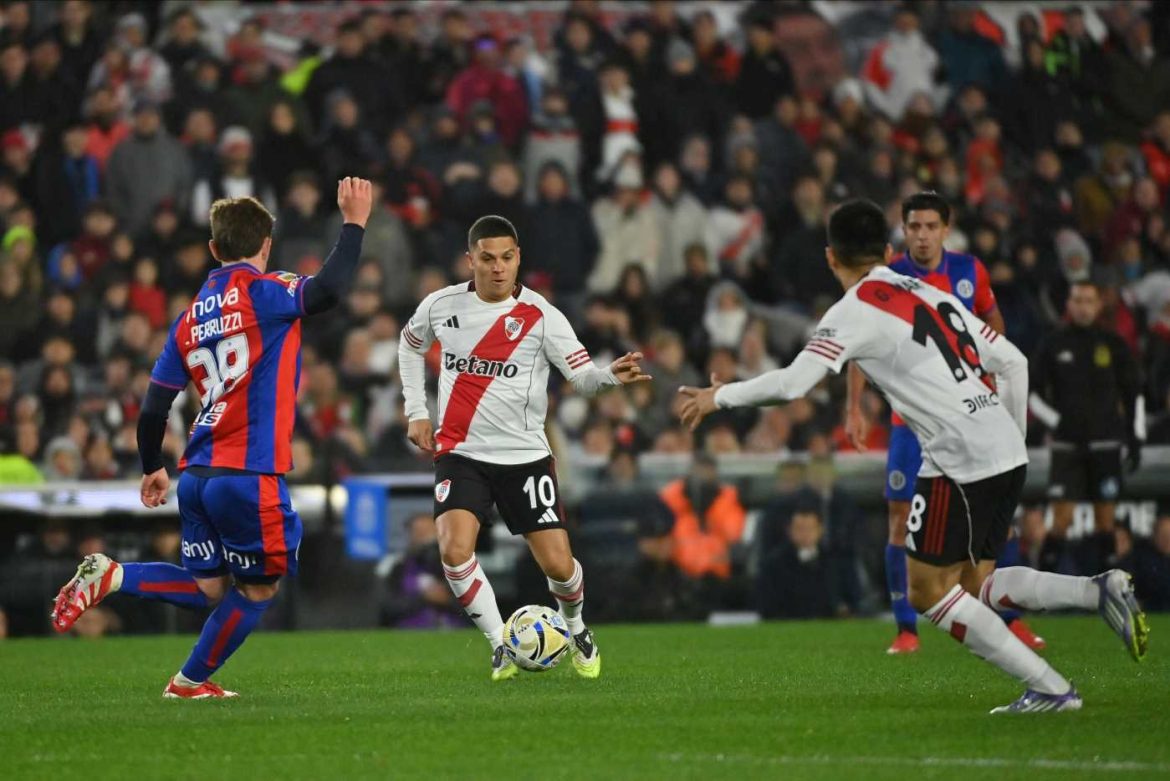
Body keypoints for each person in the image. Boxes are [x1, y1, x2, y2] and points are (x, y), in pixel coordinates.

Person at [679, 199, 1148, 714]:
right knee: (976, 585)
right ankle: (1096, 591)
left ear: (831, 257)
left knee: (925, 590)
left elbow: (793, 384)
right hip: (1002, 446)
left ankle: (1052, 688)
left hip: (958, 456)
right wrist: (1009, 439)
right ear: (888, 251)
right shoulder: (929, 290)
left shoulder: (852, 310)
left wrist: (719, 396)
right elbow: (1012, 361)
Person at [50, 179, 374, 699]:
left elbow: (154, 406)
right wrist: (354, 223)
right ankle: (187, 682)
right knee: (259, 588)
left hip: (197, 474)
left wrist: (151, 465)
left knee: (207, 587)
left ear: (212, 248)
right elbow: (329, 291)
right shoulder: (267, 292)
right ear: (265, 245)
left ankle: (114, 577)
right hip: (248, 472)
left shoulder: (189, 319)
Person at [398, 215, 649, 681]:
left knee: (558, 564)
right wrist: (417, 409)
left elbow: (581, 378)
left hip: (524, 457)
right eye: (488, 258)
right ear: (470, 260)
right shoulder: (440, 305)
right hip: (461, 452)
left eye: (507, 258)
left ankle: (577, 629)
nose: (498, 267)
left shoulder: (543, 316)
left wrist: (610, 376)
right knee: (453, 550)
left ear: (518, 260)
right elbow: (409, 345)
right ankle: (499, 643)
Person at [845, 191, 1043, 655]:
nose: (922, 236)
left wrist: (988, 378)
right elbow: (859, 343)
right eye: (914, 227)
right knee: (899, 520)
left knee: (997, 521)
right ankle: (905, 629)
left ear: (945, 230)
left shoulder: (970, 272)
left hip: (966, 419)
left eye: (931, 227)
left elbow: (992, 323)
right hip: (909, 422)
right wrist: (854, 407)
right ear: (903, 230)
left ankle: (1010, 620)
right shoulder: (888, 278)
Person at [1029, 281, 1142, 573]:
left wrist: (1136, 437)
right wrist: (1058, 422)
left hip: (1106, 444)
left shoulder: (1113, 343)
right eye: (1078, 300)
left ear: (1098, 305)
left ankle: (1107, 589)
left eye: (1089, 300)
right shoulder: (1053, 343)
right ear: (1069, 304)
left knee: (1105, 521)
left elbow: (1133, 392)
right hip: (1067, 447)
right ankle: (1042, 587)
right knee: (1061, 520)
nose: (1083, 307)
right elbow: (1032, 394)